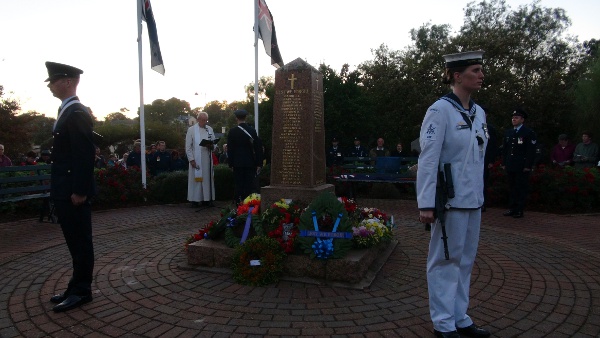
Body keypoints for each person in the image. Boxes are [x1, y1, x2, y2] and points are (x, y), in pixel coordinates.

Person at [416, 51, 491, 338]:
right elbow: (428, 158)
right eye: (475, 70)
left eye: (481, 70)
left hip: (473, 200)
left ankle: (460, 317)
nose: (481, 75)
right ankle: (443, 324)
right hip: (449, 201)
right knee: (445, 262)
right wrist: (426, 202)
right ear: (457, 75)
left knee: (465, 262)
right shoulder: (440, 111)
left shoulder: (479, 112)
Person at [45, 61, 95, 312]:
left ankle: (82, 290)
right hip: (65, 187)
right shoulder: (67, 111)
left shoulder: (76, 113)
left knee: (80, 240)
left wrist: (80, 190)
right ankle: (75, 285)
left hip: (72, 190)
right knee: (74, 240)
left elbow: (84, 155)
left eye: (53, 81)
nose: (50, 86)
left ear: (66, 81)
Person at [502, 108, 537, 219]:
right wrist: (504, 162)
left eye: (516, 118)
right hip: (511, 164)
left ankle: (519, 209)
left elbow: (530, 151)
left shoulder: (528, 133)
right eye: (513, 117)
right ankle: (512, 208)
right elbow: (505, 149)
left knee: (520, 187)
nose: (514, 119)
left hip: (521, 166)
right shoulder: (509, 132)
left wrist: (528, 165)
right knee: (511, 187)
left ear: (522, 120)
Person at [227, 109, 264, 204]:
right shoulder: (252, 130)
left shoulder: (232, 131)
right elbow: (257, 147)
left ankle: (238, 204)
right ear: (245, 117)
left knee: (239, 184)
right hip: (250, 162)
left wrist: (230, 164)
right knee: (248, 185)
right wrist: (259, 163)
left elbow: (230, 149)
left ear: (236, 118)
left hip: (237, 163)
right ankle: (248, 204)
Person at [185, 112, 216, 207]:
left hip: (206, 158)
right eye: (202, 120)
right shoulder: (191, 130)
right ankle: (195, 200)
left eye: (206, 120)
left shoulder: (209, 129)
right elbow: (188, 146)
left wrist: (212, 146)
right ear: (198, 119)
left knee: (207, 180)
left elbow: (214, 143)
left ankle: (207, 199)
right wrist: (191, 159)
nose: (204, 122)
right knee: (196, 181)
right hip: (196, 159)